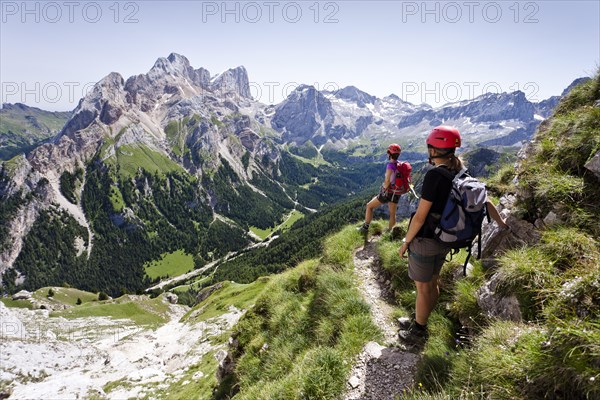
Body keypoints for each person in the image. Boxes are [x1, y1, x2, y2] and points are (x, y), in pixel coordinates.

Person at [397, 126, 509, 345]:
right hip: (446, 240)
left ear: (433, 149)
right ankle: (421, 318)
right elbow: (485, 201)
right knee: (433, 281)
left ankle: (418, 332)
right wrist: (502, 224)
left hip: (426, 239)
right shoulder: (461, 173)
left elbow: (420, 217)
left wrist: (405, 242)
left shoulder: (434, 176)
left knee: (422, 287)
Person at [357, 143, 404, 233]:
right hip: (396, 192)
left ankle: (365, 228)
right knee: (392, 214)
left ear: (389, 154)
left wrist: (383, 188)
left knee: (369, 206)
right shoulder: (400, 165)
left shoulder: (390, 165)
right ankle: (391, 233)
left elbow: (387, 181)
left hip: (388, 192)